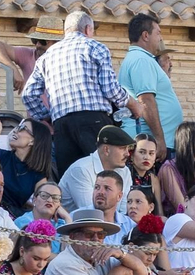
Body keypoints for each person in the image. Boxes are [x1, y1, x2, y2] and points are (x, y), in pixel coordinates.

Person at [23, 10, 131, 174]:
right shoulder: (95, 47)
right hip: (94, 120)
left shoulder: (47, 56)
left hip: (62, 124)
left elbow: (28, 94)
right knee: (103, 175)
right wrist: (131, 103)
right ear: (88, 29)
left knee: (70, 177)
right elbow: (111, 90)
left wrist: (47, 116)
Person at [42, 206, 145, 275]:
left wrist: (122, 255)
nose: (96, 239)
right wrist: (119, 272)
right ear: (73, 237)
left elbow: (142, 274)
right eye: (88, 234)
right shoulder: (63, 264)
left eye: (100, 235)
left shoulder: (104, 256)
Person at [118, 13, 180, 150]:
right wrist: (160, 140)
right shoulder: (141, 60)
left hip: (151, 144)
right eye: (158, 33)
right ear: (146, 35)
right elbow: (146, 101)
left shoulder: (141, 58)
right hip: (149, 145)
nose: (160, 38)